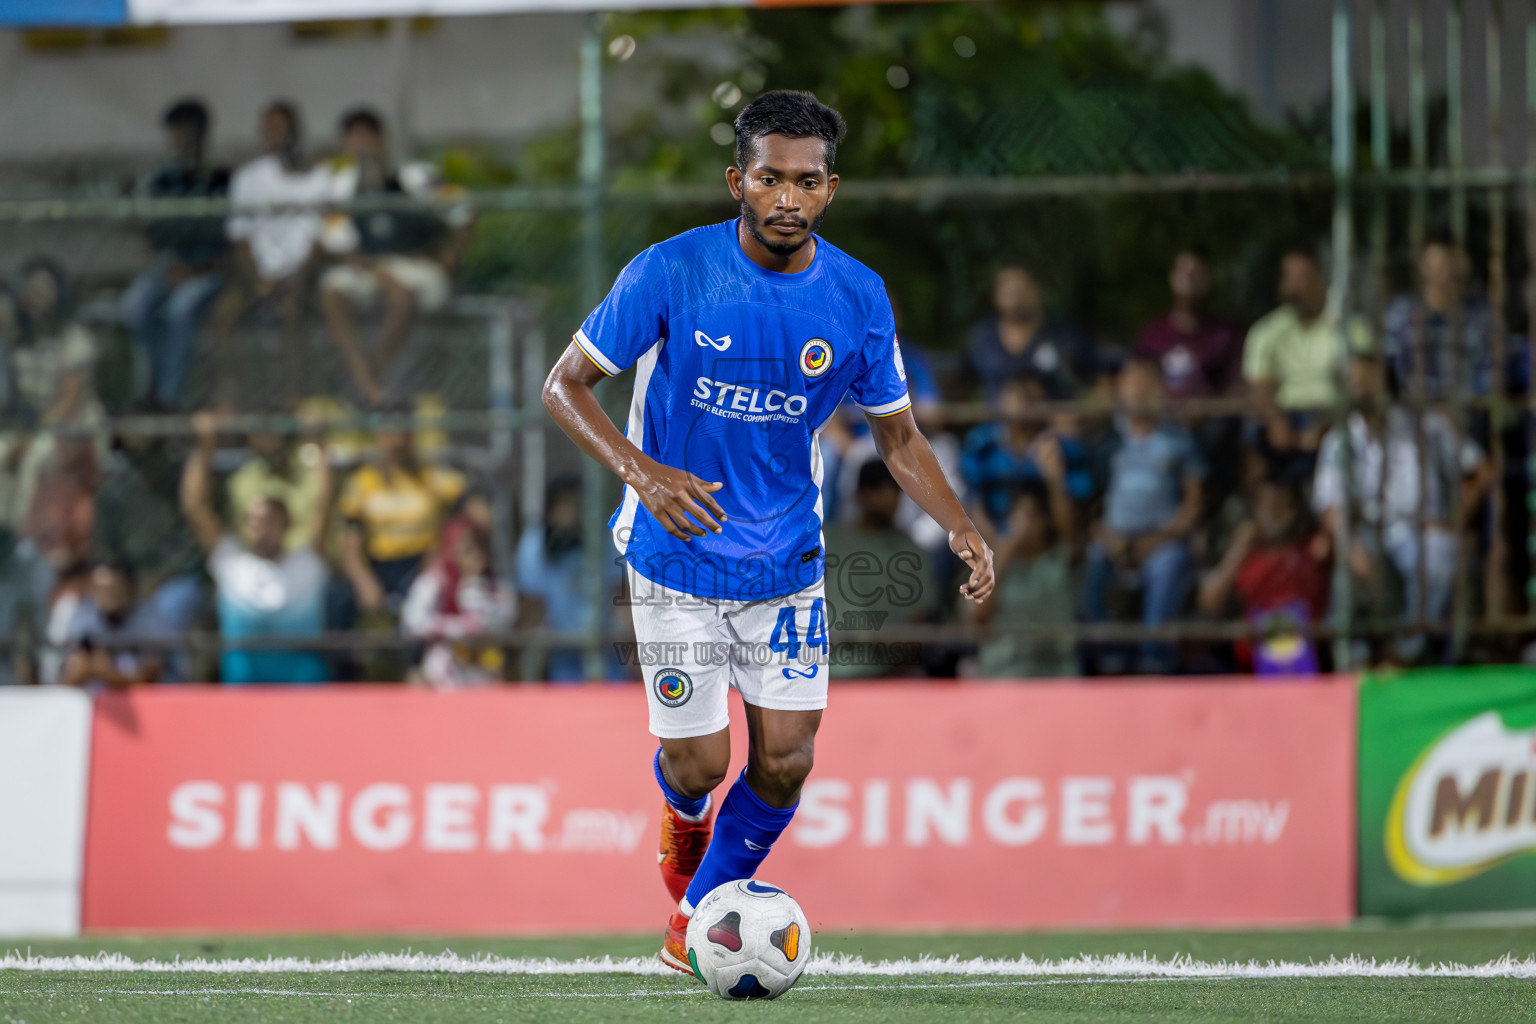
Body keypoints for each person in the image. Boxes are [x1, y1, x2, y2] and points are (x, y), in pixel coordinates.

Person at [541, 90, 994, 972]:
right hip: (674, 556)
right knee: (703, 765)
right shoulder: (670, 271)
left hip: (785, 564)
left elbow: (895, 434)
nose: (788, 197)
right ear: (737, 181)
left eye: (807, 181)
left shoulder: (859, 297)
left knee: (786, 761)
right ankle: (684, 827)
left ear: (832, 189)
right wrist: (645, 472)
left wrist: (961, 525)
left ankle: (697, 918)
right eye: (770, 178)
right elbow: (565, 385)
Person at [1312, 353, 1494, 664]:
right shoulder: (1339, 441)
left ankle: (1404, 654)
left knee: (1436, 554)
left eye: (1367, 381)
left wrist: (1456, 518)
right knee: (1347, 573)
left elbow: (1481, 469)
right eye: (1353, 383)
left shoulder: (1428, 425)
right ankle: (1352, 664)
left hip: (1421, 528)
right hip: (1367, 531)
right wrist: (1350, 546)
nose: (1361, 390)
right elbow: (1331, 506)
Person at [181, 411, 333, 684]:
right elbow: (195, 506)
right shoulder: (231, 563)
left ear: (287, 524)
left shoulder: (306, 564)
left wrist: (318, 446)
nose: (258, 526)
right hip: (245, 697)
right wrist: (205, 449)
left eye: (268, 520)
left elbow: (323, 505)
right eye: (251, 519)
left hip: (305, 694)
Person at [319, 108, 453, 406]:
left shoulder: (413, 176)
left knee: (402, 297)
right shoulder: (340, 186)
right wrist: (375, 270)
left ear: (381, 140)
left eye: (367, 137)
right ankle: (363, 375)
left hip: (412, 264)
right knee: (331, 292)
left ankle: (369, 376)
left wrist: (450, 258)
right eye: (354, 138)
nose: (361, 145)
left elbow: (462, 211)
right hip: (367, 266)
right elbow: (337, 242)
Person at [1082, 356, 1206, 675]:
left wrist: (1159, 539)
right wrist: (1108, 539)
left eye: (1147, 384)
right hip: (1113, 539)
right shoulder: (1106, 443)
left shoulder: (1179, 441)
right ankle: (1108, 655)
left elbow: (1193, 505)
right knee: (1093, 563)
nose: (1139, 392)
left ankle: (1155, 658)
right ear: (1119, 391)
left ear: (1160, 390)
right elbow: (1089, 506)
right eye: (1131, 383)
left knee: (1168, 566)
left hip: (1163, 539)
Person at [213, 101, 333, 403]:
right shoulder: (248, 178)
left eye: (282, 129)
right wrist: (258, 280)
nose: (275, 136)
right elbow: (240, 236)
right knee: (224, 315)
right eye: (269, 129)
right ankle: (231, 397)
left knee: (292, 315)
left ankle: (293, 398)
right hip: (257, 276)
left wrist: (297, 276)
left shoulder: (319, 177)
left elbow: (322, 237)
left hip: (301, 277)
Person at [118, 98, 230, 410]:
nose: (179, 143)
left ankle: (172, 395)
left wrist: (197, 270)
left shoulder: (221, 180)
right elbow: (158, 233)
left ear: (202, 135)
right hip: (172, 265)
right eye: (174, 135)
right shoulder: (164, 180)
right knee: (135, 306)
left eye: (185, 134)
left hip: (212, 269)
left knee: (180, 310)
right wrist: (131, 217)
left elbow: (228, 237)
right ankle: (148, 389)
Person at [1242, 247, 1372, 478]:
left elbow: (1364, 384)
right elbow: (1260, 387)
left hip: (1337, 415)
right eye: (1289, 278)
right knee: (1251, 437)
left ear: (1322, 279)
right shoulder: (1266, 332)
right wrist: (1276, 422)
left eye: (1303, 277)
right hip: (1287, 415)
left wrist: (1330, 427)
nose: (1295, 287)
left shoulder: (1351, 327)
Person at [0, 258, 107, 532]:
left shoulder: (75, 338)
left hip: (74, 425)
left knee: (36, 458)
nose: (38, 295)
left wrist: (32, 435)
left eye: (45, 288)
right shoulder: (17, 340)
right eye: (31, 288)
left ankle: (26, 535)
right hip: (29, 423)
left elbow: (68, 403)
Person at [335, 421, 465, 621]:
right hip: (379, 565)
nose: (398, 441)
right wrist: (365, 583)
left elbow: (466, 508)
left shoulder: (430, 477)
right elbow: (350, 542)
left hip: (422, 564)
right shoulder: (363, 482)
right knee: (339, 599)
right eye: (390, 433)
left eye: (404, 433)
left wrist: (437, 562)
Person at [821, 460, 940, 678]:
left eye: (897, 492)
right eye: (883, 490)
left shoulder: (911, 552)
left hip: (888, 674)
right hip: (828, 669)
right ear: (860, 494)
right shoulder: (827, 540)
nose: (893, 501)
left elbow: (921, 619)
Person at [1198, 478, 1329, 675]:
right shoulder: (1246, 556)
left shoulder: (1312, 548)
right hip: (1254, 657)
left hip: (1307, 654)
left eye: (1283, 505)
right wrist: (1240, 549)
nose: (1276, 514)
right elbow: (1209, 603)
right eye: (1268, 506)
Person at [514, 475, 624, 682]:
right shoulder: (535, 544)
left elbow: (620, 599)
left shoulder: (608, 540)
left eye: (578, 505)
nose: (572, 513)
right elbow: (531, 608)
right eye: (564, 505)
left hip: (606, 658)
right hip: (557, 659)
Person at [960, 374, 1091, 539]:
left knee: (1026, 510)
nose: (1023, 405)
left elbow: (1070, 530)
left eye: (1031, 398)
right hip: (990, 535)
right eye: (1016, 396)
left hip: (1043, 541)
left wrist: (1056, 480)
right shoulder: (983, 443)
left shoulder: (1061, 449)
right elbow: (972, 500)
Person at [970, 484, 1078, 679]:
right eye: (1017, 516)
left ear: (1045, 522)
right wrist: (1003, 555)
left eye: (1031, 516)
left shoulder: (1060, 560)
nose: (1024, 525)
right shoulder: (993, 565)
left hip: (1056, 672)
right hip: (1004, 671)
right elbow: (978, 616)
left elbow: (1068, 529)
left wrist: (1055, 479)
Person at [401, 517, 515, 689]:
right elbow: (413, 621)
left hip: (483, 662)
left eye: (478, 548)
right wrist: (453, 627)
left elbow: (504, 620)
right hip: (445, 660)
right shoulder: (435, 580)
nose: (474, 557)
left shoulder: (497, 586)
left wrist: (476, 593)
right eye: (465, 549)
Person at [1382, 233, 1494, 401]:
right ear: (1423, 267)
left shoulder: (1482, 319)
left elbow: (1489, 380)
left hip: (1465, 419)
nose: (1449, 271)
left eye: (1455, 260)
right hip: (1409, 416)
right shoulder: (1400, 315)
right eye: (1441, 264)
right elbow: (1389, 375)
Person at [964, 265, 1094, 401]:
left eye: (1021, 290)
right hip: (998, 419)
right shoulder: (982, 337)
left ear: (1037, 290)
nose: (1015, 299)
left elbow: (1092, 381)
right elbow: (962, 384)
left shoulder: (1065, 334)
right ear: (996, 296)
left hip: (1053, 417)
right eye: (1008, 291)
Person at [1135, 249, 1242, 401]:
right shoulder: (1152, 334)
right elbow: (1136, 383)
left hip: (1212, 419)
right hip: (1162, 420)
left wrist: (1206, 407)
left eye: (1196, 272)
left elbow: (1237, 386)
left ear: (1208, 280)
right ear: (1171, 277)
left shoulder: (1225, 335)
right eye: (1182, 270)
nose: (1189, 277)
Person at [56, 561, 178, 690]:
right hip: (97, 702)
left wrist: (106, 674)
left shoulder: (150, 617)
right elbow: (68, 674)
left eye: (112, 588)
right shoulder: (83, 614)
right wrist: (79, 672)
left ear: (129, 588)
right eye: (99, 588)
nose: (106, 595)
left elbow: (150, 678)